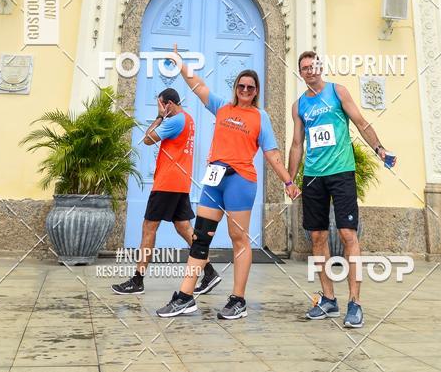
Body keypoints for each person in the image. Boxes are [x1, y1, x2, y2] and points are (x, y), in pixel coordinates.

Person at [156, 44, 299, 320]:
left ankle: (238, 300)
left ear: (256, 92)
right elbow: (198, 86)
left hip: (240, 182)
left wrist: (288, 181)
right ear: (235, 88)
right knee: (200, 237)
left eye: (250, 88)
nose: (245, 90)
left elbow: (271, 153)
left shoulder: (260, 117)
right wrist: (180, 63)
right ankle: (185, 296)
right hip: (214, 180)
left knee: (238, 238)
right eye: (241, 86)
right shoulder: (222, 107)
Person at [288, 51, 396, 328]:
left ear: (320, 68)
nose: (310, 71)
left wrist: (379, 149)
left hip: (341, 172)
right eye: (304, 68)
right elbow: (297, 144)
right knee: (317, 237)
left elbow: (361, 122)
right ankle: (328, 299)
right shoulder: (299, 105)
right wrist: (290, 179)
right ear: (300, 73)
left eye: (313, 66)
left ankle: (355, 303)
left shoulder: (338, 91)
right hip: (313, 176)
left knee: (348, 234)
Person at [112, 87, 220, 296]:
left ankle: (137, 280)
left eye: (160, 104)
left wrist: (159, 117)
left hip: (167, 183)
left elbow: (147, 139)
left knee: (149, 227)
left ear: (168, 104)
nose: (159, 108)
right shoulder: (188, 119)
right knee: (184, 228)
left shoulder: (174, 121)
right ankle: (209, 272)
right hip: (180, 182)